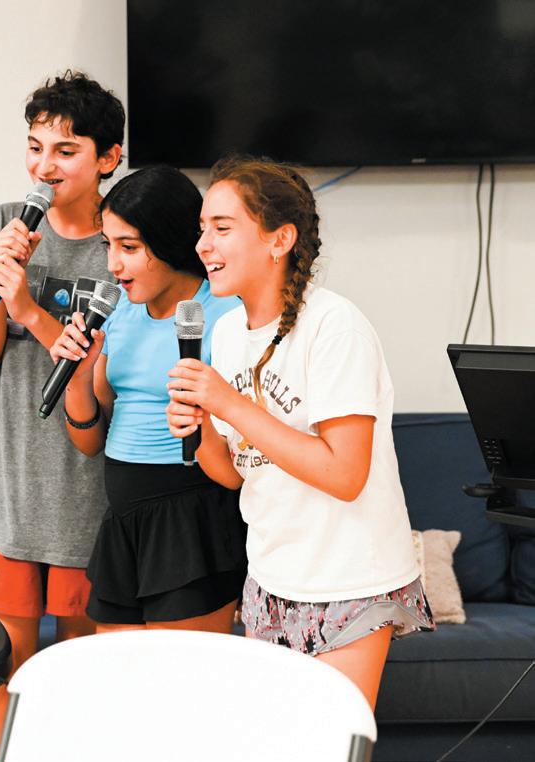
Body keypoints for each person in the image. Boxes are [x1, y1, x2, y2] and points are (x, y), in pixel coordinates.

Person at [166, 156, 434, 709]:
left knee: (332, 741)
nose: (203, 245)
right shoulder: (227, 333)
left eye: (222, 228)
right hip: (271, 577)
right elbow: (234, 475)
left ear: (280, 239)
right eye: (202, 229)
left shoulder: (334, 326)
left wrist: (230, 404)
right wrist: (203, 427)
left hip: (350, 579)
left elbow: (345, 474)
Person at [0, 71, 123, 761]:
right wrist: (2, 291)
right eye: (34, 147)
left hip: (89, 492)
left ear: (108, 158)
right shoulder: (4, 224)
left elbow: (104, 373)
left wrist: (29, 307)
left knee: (83, 677)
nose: (44, 166)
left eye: (65, 151)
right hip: (7, 487)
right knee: (1, 674)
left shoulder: (126, 242)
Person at [50, 165, 247, 633]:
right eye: (108, 245)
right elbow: (90, 442)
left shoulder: (228, 314)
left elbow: (242, 446)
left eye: (130, 247)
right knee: (117, 674)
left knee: (179, 676)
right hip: (123, 520)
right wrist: (77, 379)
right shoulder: (119, 312)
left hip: (193, 518)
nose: (113, 265)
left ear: (170, 241)